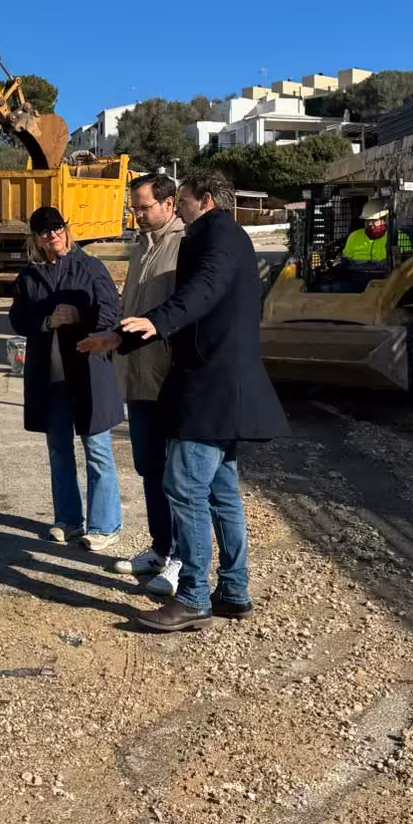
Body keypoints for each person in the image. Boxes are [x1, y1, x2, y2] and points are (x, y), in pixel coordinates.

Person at [81, 170, 288, 631]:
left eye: (186, 199)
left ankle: (193, 597)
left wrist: (157, 321)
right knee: (221, 492)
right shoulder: (226, 237)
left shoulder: (216, 237)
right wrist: (120, 339)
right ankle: (234, 591)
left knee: (184, 486)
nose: (181, 207)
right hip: (223, 387)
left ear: (205, 200)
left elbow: (201, 292)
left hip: (210, 388)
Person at [8, 205, 125, 552]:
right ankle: (68, 521)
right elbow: (18, 319)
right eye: (45, 233)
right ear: (36, 239)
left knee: (98, 450)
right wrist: (46, 322)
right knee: (59, 451)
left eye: (57, 229)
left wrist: (79, 315)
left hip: (89, 376)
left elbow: (111, 311)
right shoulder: (29, 278)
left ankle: (105, 525)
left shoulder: (90, 267)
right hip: (51, 380)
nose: (53, 236)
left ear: (67, 230)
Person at [112, 173, 186, 594]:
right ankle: (160, 548)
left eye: (143, 207)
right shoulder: (141, 247)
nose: (137, 215)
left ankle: (181, 559)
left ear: (169, 205)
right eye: (134, 208)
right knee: (149, 469)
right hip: (137, 377)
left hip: (169, 379)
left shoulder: (184, 246)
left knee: (177, 475)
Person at [342, 199, 413, 265]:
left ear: (386, 219)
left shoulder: (399, 237)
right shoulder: (354, 236)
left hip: (386, 276)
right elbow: (346, 259)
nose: (370, 224)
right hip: (357, 274)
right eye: (367, 220)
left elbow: (409, 259)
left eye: (375, 220)